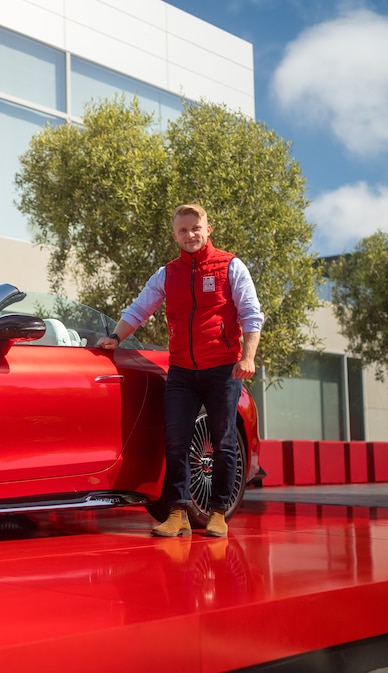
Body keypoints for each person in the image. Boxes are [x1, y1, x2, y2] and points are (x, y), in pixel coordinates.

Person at [96, 203, 263, 538]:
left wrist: (248, 357)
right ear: (175, 235)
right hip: (182, 371)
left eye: (195, 228)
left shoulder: (230, 266)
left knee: (224, 441)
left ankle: (217, 513)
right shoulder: (167, 273)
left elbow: (251, 313)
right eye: (183, 231)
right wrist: (115, 337)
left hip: (222, 369)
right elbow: (140, 308)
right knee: (176, 442)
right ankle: (178, 513)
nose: (190, 235)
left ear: (208, 229)